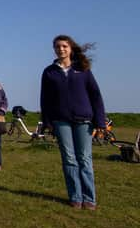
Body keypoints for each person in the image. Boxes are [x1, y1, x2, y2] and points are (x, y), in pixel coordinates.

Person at [40, 35, 106, 210]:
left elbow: (95, 96)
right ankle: (75, 197)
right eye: (57, 47)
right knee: (69, 159)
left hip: (83, 120)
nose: (60, 49)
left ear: (70, 48)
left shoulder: (82, 69)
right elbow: (45, 99)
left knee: (84, 158)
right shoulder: (49, 72)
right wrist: (47, 122)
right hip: (61, 121)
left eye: (64, 46)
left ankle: (89, 198)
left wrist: (100, 121)